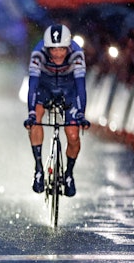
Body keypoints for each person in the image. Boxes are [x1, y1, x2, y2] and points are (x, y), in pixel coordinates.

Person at [24, 24, 90, 197]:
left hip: (69, 90)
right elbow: (32, 85)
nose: (58, 54)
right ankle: (38, 168)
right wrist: (31, 112)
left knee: (73, 135)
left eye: (61, 49)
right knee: (36, 117)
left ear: (68, 47)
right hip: (44, 88)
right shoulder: (38, 54)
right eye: (53, 50)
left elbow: (81, 87)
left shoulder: (77, 54)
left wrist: (81, 113)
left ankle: (69, 173)